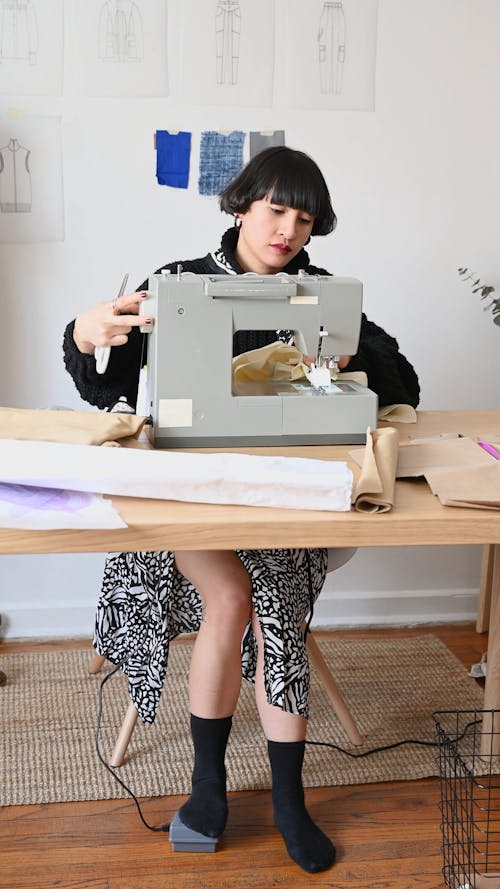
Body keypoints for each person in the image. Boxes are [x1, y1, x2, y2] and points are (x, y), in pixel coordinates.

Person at [63, 146, 420, 874]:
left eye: (305, 218)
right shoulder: (176, 285)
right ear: (241, 206)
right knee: (231, 592)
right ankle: (208, 786)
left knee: (276, 599)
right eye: (277, 209)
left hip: (286, 488)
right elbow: (106, 389)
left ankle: (288, 797)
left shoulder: (320, 293)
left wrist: (353, 361)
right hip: (190, 486)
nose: (289, 229)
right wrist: (82, 335)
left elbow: (401, 376)